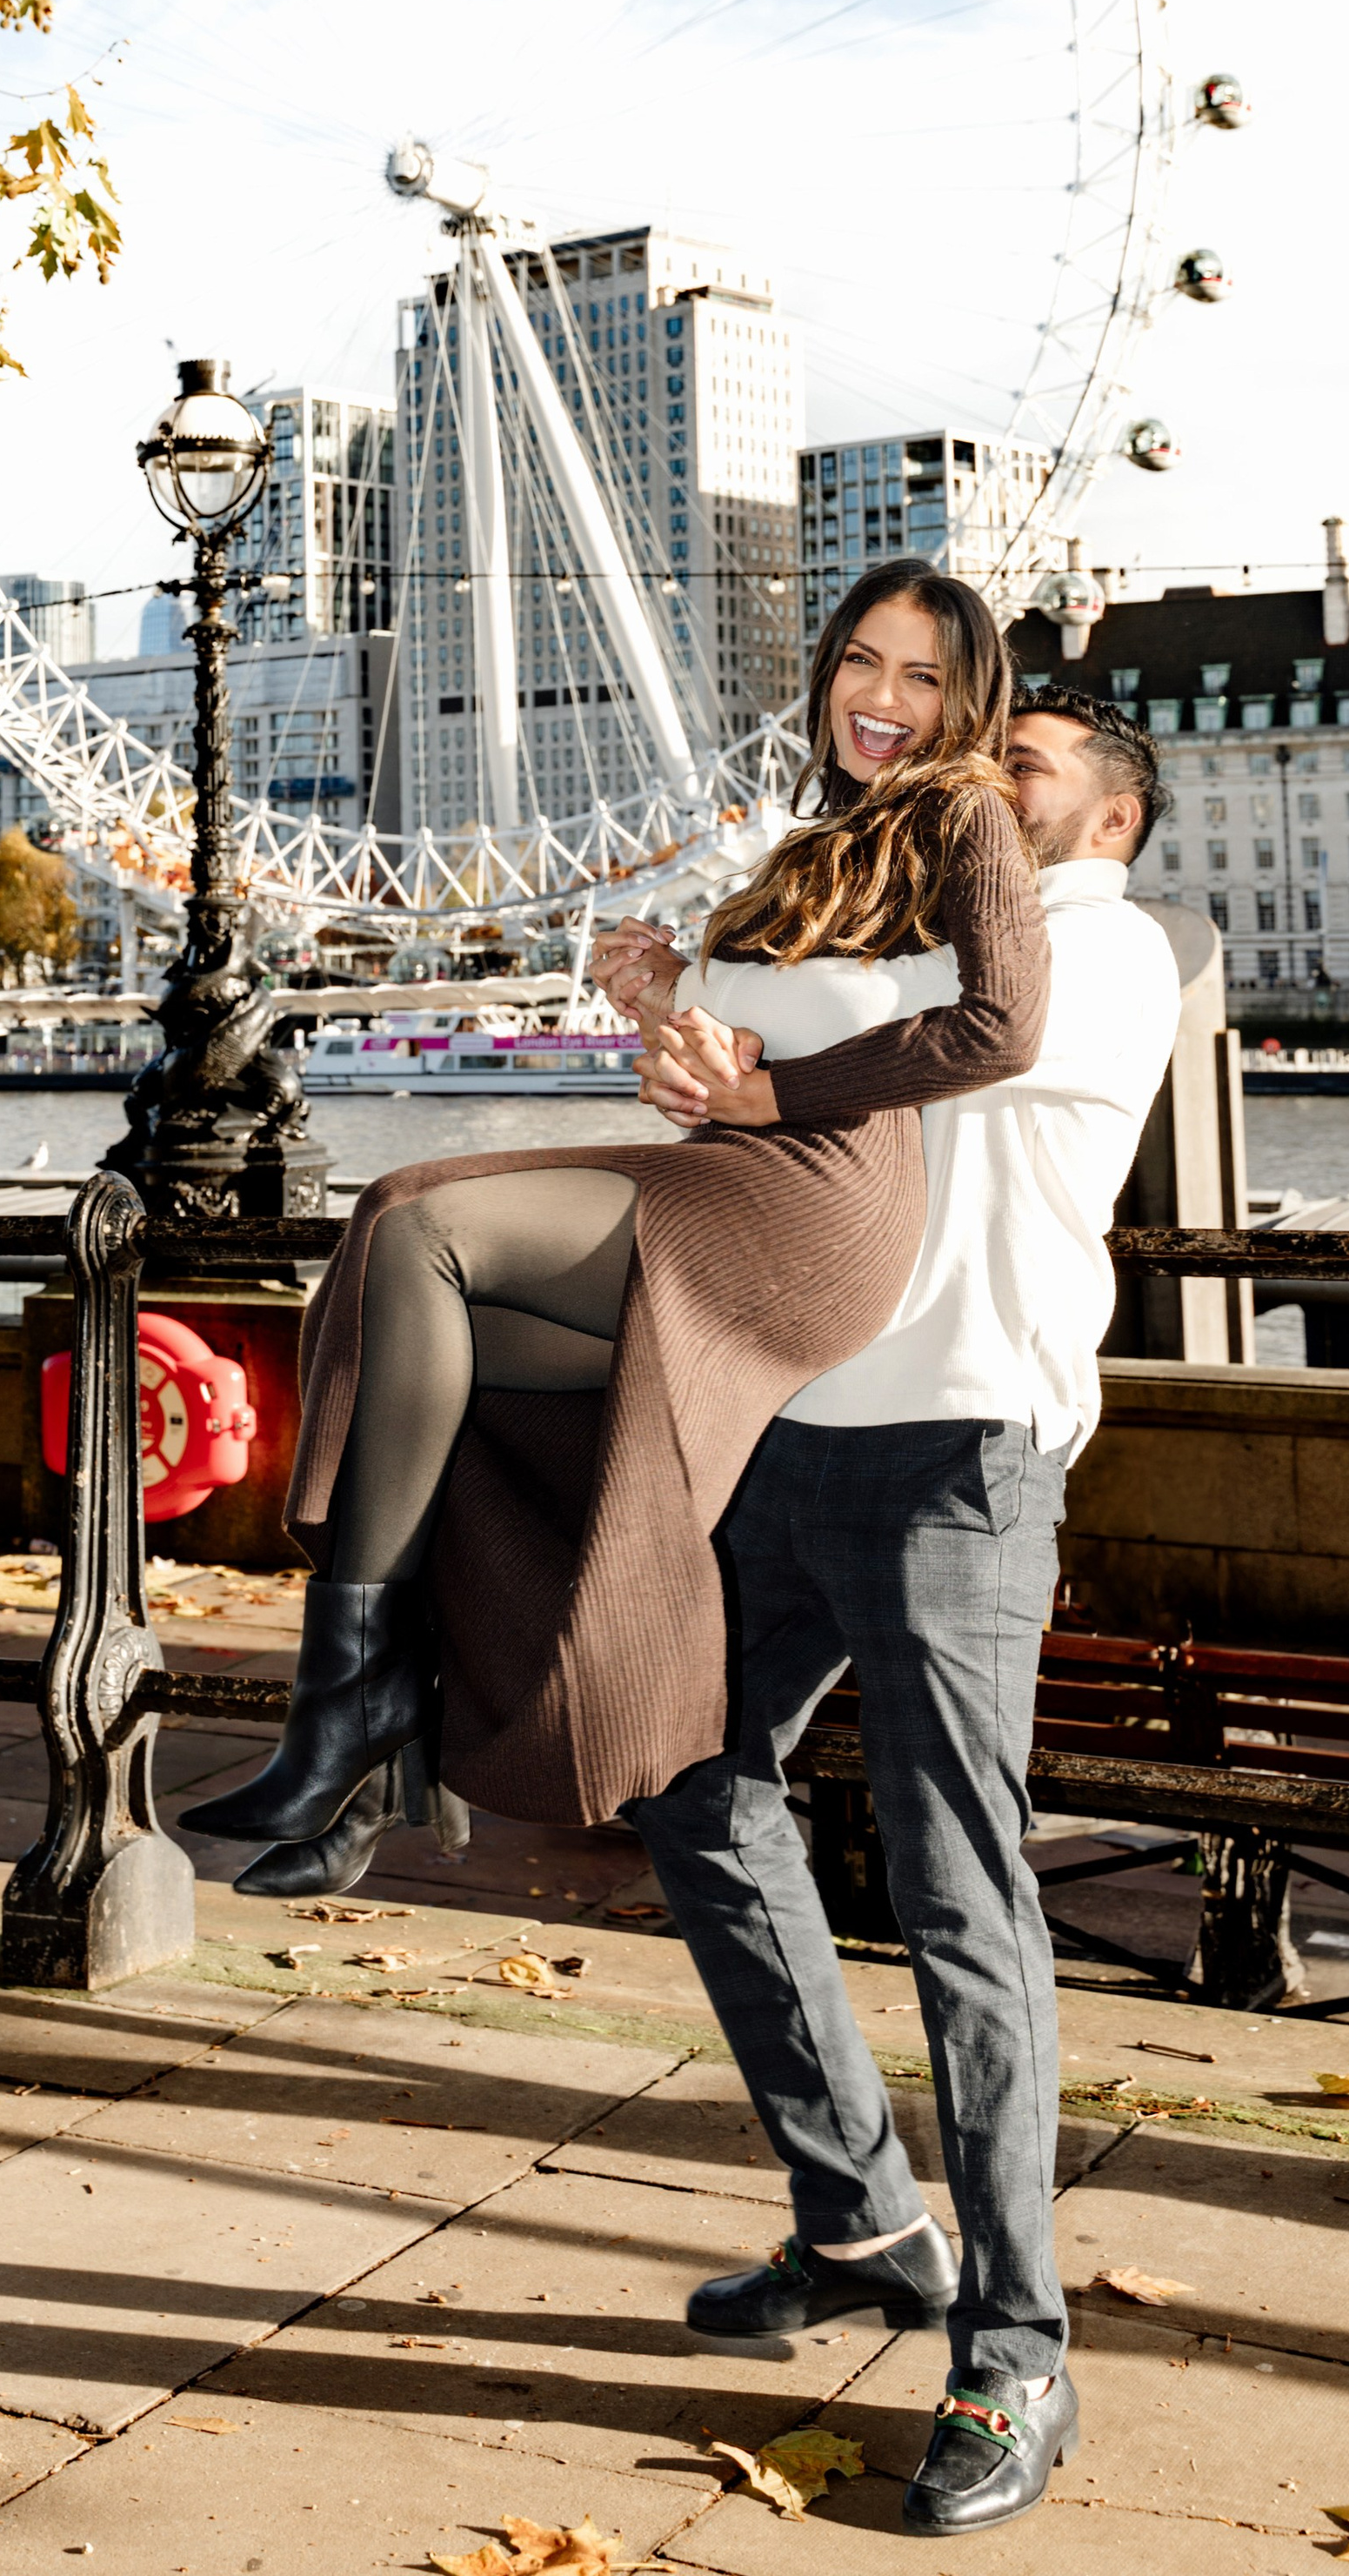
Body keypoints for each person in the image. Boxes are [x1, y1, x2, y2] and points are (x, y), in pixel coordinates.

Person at [179, 564, 1050, 1905]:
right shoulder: (823, 843)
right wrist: (658, 1000)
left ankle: (356, 1706)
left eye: (923, 677)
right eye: (861, 662)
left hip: (815, 1203)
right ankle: (373, 1735)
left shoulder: (969, 820)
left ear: (966, 699)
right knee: (408, 1254)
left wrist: (766, 1090)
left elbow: (1001, 1028)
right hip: (742, 1175)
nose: (881, 699)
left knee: (428, 1236)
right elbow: (741, 1056)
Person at [609, 679, 1181, 2538]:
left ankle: (1015, 2345)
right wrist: (660, 1011)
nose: (964, 785)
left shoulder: (1101, 956)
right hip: (801, 1426)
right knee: (685, 1773)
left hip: (959, 1451)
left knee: (957, 1887)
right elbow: (761, 1113)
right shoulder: (913, 925)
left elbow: (945, 1046)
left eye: (1010, 768)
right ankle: (859, 2207)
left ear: (1102, 821)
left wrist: (746, 1035)